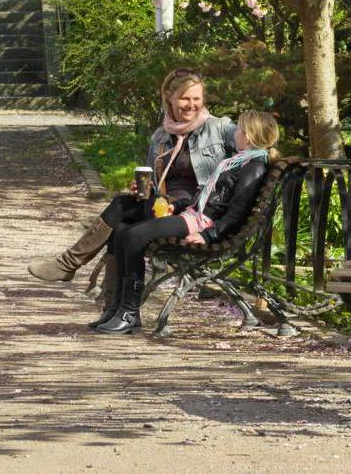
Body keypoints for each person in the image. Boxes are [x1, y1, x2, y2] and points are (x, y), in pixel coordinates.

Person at [29, 67, 237, 306]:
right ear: (169, 97)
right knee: (122, 209)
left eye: (197, 98)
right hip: (165, 206)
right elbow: (155, 184)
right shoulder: (160, 135)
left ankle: (73, 268)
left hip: (195, 211)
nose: (192, 105)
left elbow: (252, 143)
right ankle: (110, 299)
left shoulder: (220, 128)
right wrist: (143, 190)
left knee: (122, 219)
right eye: (185, 98)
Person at [93, 106, 281, 334]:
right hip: (194, 215)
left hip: (203, 224)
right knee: (123, 229)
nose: (235, 134)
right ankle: (117, 307)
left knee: (134, 235)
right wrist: (178, 204)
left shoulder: (253, 167)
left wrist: (207, 235)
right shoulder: (238, 161)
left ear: (248, 136)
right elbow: (207, 195)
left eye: (239, 130)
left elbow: (237, 211)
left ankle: (129, 313)